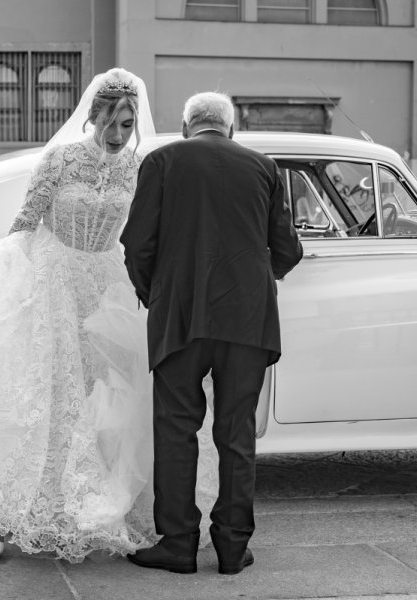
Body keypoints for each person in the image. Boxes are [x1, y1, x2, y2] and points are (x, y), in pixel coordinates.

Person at [0, 68, 218, 563]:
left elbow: (146, 233)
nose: (119, 135)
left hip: (108, 286)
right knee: (40, 400)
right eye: (112, 124)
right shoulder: (61, 159)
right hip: (53, 282)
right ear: (92, 118)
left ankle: (98, 507)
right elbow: (26, 221)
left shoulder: (139, 168)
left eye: (128, 125)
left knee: (110, 402)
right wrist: (11, 287)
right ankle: (1, 517)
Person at [120, 92, 303, 575]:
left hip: (180, 315)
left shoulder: (162, 161)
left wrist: (154, 292)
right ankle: (231, 547)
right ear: (231, 129)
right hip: (246, 319)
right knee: (236, 434)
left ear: (186, 127)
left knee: (177, 431)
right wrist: (258, 279)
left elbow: (137, 243)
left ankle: (178, 545)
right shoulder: (264, 167)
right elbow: (287, 248)